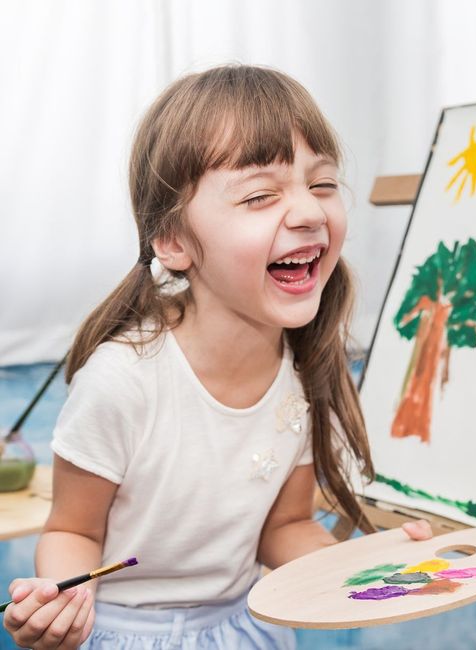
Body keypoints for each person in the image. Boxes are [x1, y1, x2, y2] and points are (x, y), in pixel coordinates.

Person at [3, 64, 432, 649]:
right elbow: (72, 530)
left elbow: (283, 527)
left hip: (246, 629)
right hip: (127, 635)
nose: (308, 212)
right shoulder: (122, 380)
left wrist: (362, 568)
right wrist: (61, 604)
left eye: (324, 184)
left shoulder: (301, 372)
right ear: (174, 241)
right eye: (260, 195)